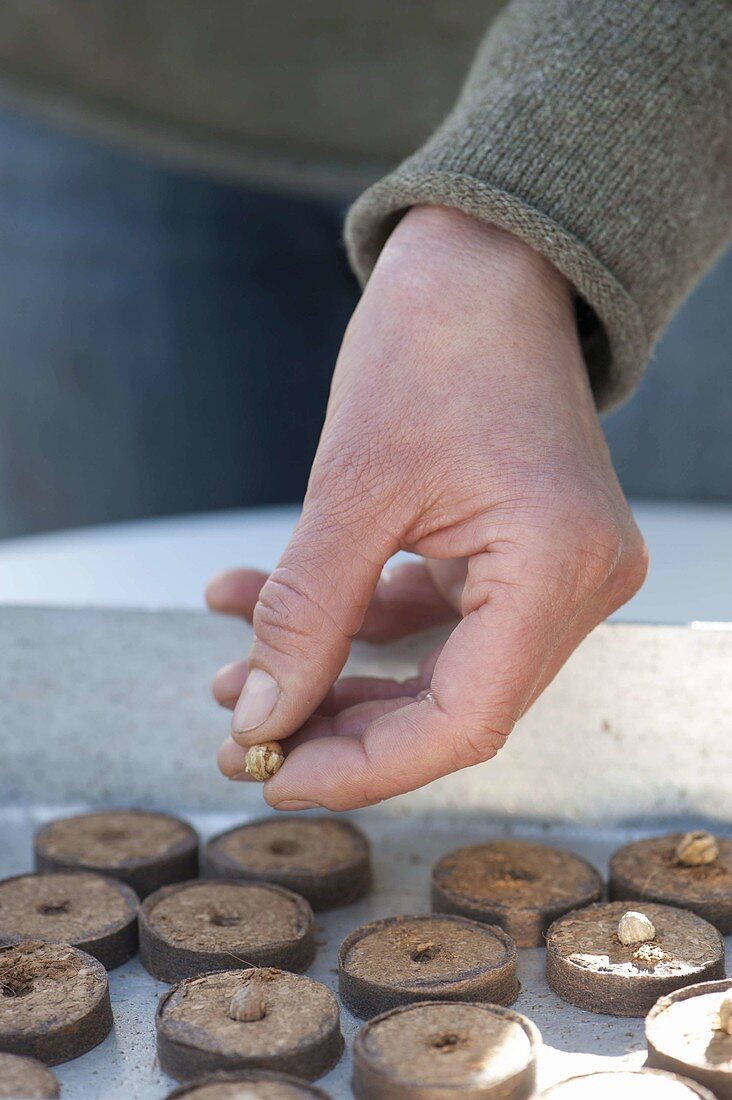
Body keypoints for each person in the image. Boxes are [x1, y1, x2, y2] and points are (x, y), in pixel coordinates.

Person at [1, 2, 729, 807]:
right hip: (84, 84)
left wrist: (527, 205)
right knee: (125, 580)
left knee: (603, 631)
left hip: (631, 119)